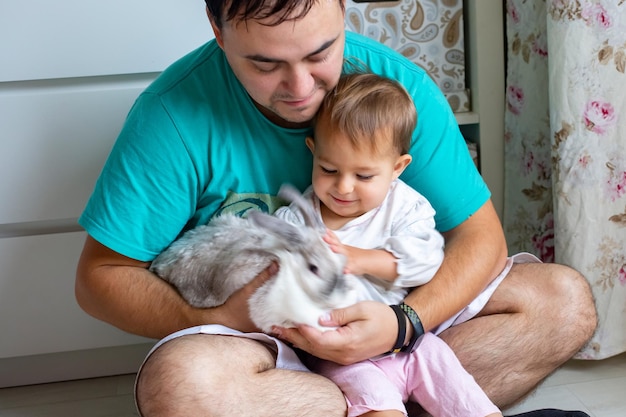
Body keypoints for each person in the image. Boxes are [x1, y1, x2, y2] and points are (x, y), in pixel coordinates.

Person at [74, 1, 597, 416]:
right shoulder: (171, 116)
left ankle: (381, 397)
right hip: (263, 342)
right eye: (265, 63)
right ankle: (405, 401)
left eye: (320, 53)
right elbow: (100, 278)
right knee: (182, 390)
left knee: (563, 302)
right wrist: (215, 316)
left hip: (393, 320)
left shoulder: (396, 90)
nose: (301, 89)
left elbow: (480, 239)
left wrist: (402, 324)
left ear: (344, 8)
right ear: (217, 26)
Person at [274, 71, 501, 417]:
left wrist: (363, 259)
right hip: (343, 358)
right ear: (313, 151)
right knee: (378, 407)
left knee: (463, 396)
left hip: (409, 346)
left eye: (364, 176)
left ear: (397, 167)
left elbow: (426, 261)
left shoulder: (405, 207)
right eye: (329, 169)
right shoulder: (299, 219)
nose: (344, 188)